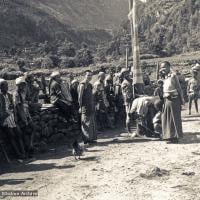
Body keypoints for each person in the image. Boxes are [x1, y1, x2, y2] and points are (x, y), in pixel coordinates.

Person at [0, 79, 26, 160]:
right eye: (5, 86)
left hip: (12, 117)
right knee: (12, 136)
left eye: (7, 86)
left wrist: (15, 116)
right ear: (1, 87)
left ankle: (23, 152)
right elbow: (1, 111)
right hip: (5, 119)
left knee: (19, 134)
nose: (7, 87)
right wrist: (7, 113)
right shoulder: (0, 97)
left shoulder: (9, 95)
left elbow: (13, 107)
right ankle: (18, 154)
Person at [161, 61, 184, 143]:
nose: (162, 69)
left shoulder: (173, 76)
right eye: (161, 67)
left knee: (175, 118)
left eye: (164, 67)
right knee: (167, 118)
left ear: (168, 67)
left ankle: (175, 137)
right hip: (166, 100)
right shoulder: (164, 77)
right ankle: (168, 136)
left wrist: (182, 101)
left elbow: (179, 88)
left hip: (174, 99)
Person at [13, 77, 34, 158]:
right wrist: (23, 118)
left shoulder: (21, 93)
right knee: (25, 133)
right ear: (19, 85)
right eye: (23, 85)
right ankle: (28, 151)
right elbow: (18, 107)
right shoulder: (16, 94)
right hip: (21, 116)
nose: (24, 86)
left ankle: (29, 149)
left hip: (25, 114)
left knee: (30, 130)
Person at [78, 70, 96, 145]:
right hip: (85, 107)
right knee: (85, 123)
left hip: (90, 106)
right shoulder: (82, 85)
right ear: (84, 76)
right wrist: (80, 106)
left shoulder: (89, 85)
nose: (89, 77)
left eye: (91, 75)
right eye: (88, 75)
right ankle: (86, 140)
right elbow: (80, 97)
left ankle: (91, 139)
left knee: (91, 123)